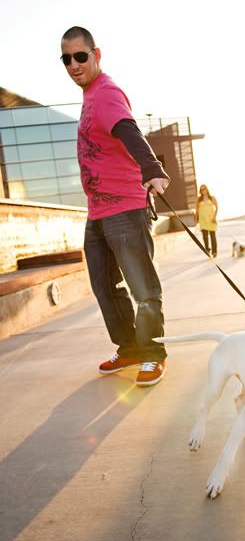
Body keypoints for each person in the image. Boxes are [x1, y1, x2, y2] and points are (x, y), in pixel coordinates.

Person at [61, 26, 170, 386]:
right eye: (66, 59)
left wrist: (152, 169)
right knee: (105, 286)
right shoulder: (89, 95)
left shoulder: (106, 93)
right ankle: (130, 347)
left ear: (96, 54)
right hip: (98, 213)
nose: (73, 64)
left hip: (125, 209)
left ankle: (153, 352)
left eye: (80, 56)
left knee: (142, 287)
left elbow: (129, 131)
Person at [196, 185, 218, 257]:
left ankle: (214, 252)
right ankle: (207, 250)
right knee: (205, 236)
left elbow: (217, 208)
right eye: (201, 189)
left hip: (211, 219)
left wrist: (214, 217)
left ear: (207, 189)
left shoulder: (212, 198)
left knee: (212, 236)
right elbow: (197, 210)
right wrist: (196, 219)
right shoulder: (199, 199)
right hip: (202, 220)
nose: (203, 191)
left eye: (204, 189)